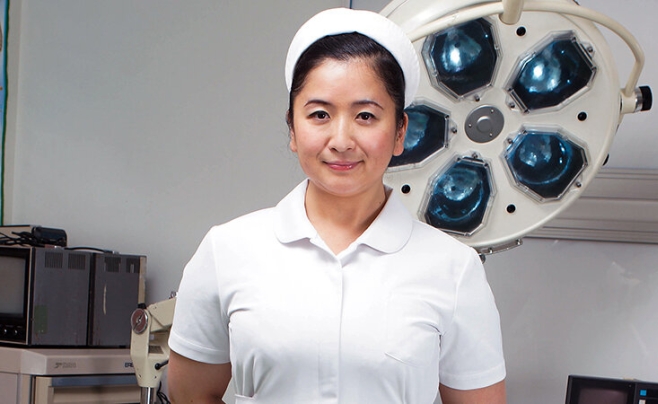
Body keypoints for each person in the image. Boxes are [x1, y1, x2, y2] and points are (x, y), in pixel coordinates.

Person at [167, 7, 506, 404]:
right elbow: (190, 395)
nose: (342, 140)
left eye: (365, 115)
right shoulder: (226, 251)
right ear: (292, 129)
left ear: (400, 132)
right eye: (320, 114)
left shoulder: (453, 269)